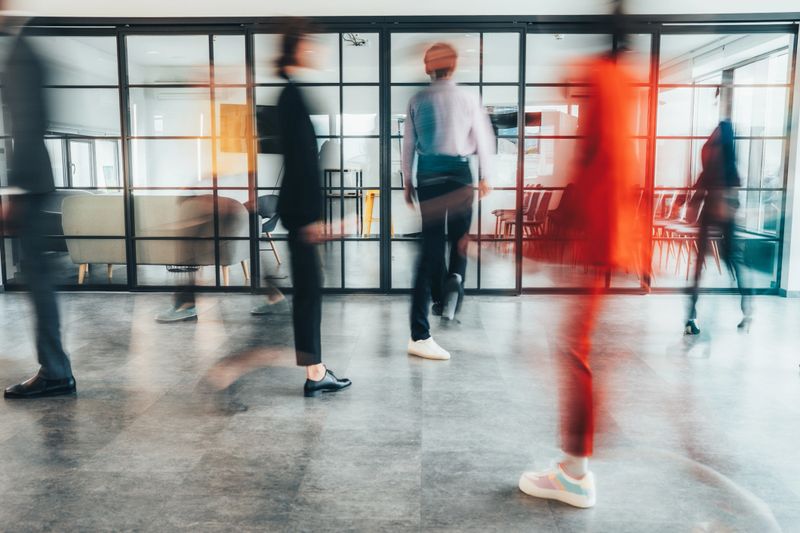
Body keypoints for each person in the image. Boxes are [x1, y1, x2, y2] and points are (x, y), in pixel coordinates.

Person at [517, 17, 646, 508]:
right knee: (581, 349)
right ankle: (576, 463)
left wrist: (549, 239)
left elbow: (595, 159)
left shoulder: (603, 80)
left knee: (576, 350)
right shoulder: (628, 83)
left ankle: (575, 473)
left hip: (600, 237)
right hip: (612, 236)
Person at [0, 10, 76, 399]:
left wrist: (15, 191)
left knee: (38, 280)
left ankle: (56, 371)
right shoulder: (23, 46)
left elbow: (28, 124)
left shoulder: (21, 51)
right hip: (34, 179)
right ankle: (55, 368)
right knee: (38, 278)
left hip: (30, 182)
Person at [402, 42, 495, 361]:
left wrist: (407, 182)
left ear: (427, 68)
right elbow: (483, 140)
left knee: (429, 249)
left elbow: (408, 145)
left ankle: (426, 320)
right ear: (453, 67)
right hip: (459, 175)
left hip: (428, 176)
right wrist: (485, 176)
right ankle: (454, 280)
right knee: (459, 241)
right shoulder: (468, 98)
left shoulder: (417, 99)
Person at [274, 22, 351, 397]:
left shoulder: (291, 94)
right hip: (301, 213)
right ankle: (315, 373)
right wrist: (311, 219)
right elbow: (302, 163)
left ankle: (316, 369)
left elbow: (301, 162)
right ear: (299, 48)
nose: (317, 50)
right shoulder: (291, 97)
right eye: (311, 44)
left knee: (309, 292)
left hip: (299, 211)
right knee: (308, 294)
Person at [684, 87, 751, 335]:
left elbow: (719, 171)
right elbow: (711, 172)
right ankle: (693, 315)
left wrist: (699, 200)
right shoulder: (720, 133)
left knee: (727, 258)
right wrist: (694, 200)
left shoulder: (725, 132)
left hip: (720, 204)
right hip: (716, 204)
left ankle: (745, 309)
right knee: (713, 260)